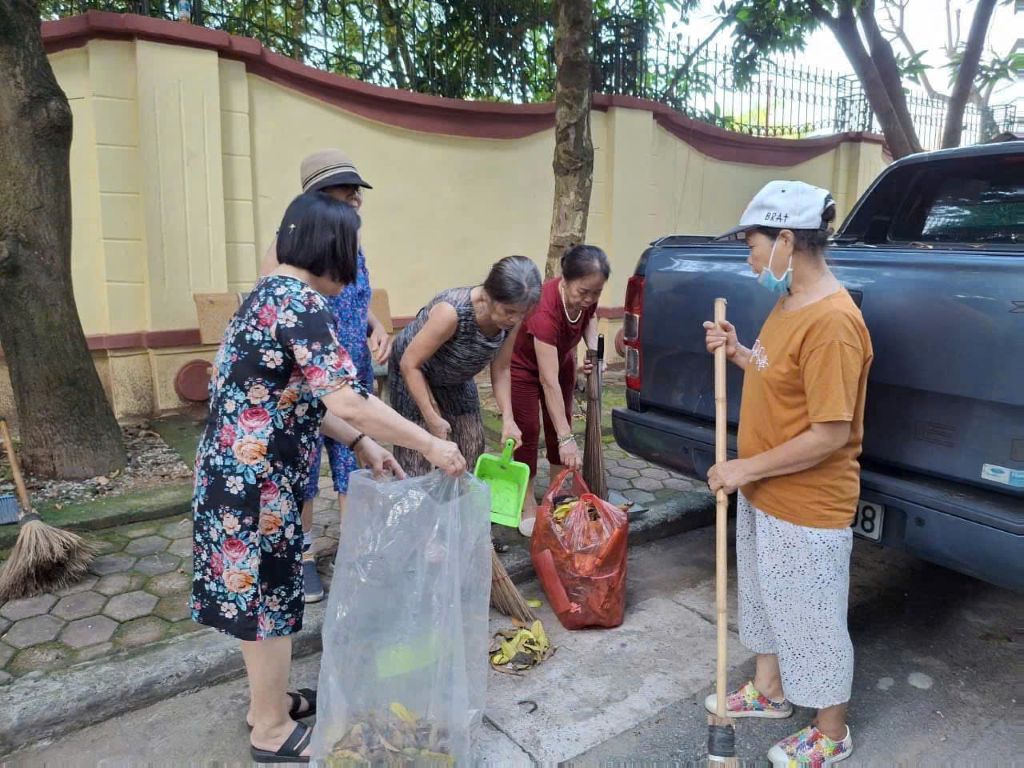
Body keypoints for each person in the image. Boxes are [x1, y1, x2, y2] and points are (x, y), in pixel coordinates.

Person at [193, 192, 465, 763]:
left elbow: (303, 397)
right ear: (332, 248)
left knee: (271, 597)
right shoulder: (301, 304)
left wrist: (362, 444)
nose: (357, 265)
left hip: (242, 475)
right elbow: (349, 397)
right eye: (354, 250)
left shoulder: (268, 295)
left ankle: (266, 702)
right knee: (267, 604)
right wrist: (431, 444)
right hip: (255, 485)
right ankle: (268, 730)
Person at [702, 180, 872, 766]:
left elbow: (829, 433)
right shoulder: (790, 299)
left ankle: (831, 733)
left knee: (812, 618)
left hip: (806, 501)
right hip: (764, 490)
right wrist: (740, 351)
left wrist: (743, 465)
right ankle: (770, 691)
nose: (748, 257)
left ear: (785, 240)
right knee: (769, 601)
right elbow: (781, 377)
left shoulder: (833, 324)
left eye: (751, 244)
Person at [259, 149, 392, 603]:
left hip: (349, 364)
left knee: (353, 464)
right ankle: (306, 557)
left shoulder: (347, 237)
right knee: (305, 469)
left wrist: (375, 324)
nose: (355, 197)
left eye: (357, 190)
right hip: (308, 378)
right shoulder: (286, 252)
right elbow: (287, 302)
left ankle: (358, 553)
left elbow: (354, 293)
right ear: (316, 196)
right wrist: (430, 443)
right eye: (344, 189)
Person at [388, 256, 543, 477]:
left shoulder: (512, 320)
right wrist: (432, 417)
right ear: (488, 295)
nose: (515, 319)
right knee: (416, 455)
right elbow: (409, 363)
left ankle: (455, 507)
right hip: (413, 374)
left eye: (522, 313)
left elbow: (501, 369)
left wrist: (508, 419)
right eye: (509, 311)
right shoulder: (452, 312)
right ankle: (415, 508)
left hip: (455, 377)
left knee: (471, 445)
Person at [510, 245, 610, 537]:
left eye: (596, 292)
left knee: (560, 421)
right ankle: (527, 502)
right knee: (528, 431)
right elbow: (548, 380)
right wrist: (569, 440)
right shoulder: (544, 309)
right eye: (583, 292)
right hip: (524, 369)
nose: (589, 299)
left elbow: (590, 317)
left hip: (563, 360)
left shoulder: (586, 296)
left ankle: (553, 498)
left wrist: (594, 352)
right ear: (564, 280)